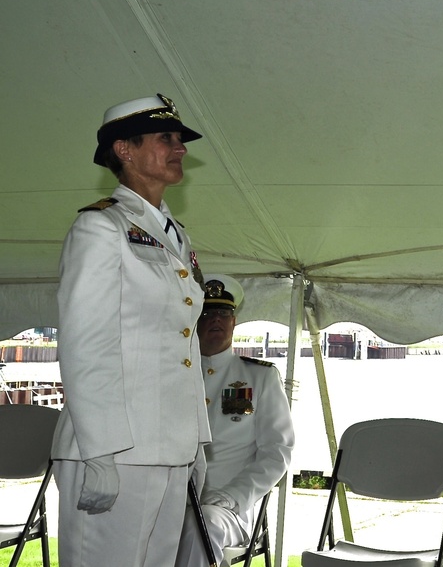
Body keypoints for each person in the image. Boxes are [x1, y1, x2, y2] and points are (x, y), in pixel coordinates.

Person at [52, 94, 212, 566]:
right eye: (166, 138)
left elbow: (181, 348)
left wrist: (196, 442)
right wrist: (99, 453)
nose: (179, 147)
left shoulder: (173, 233)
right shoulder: (100, 229)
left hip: (168, 449)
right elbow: (86, 346)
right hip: (116, 451)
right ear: (125, 150)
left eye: (179, 138)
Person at [175, 274, 295, 567]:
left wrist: (233, 495)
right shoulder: (173, 375)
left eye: (223, 313)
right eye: (207, 312)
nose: (216, 319)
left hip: (227, 509)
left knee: (200, 526)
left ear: (234, 321)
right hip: (169, 499)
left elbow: (277, 452)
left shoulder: (260, 377)